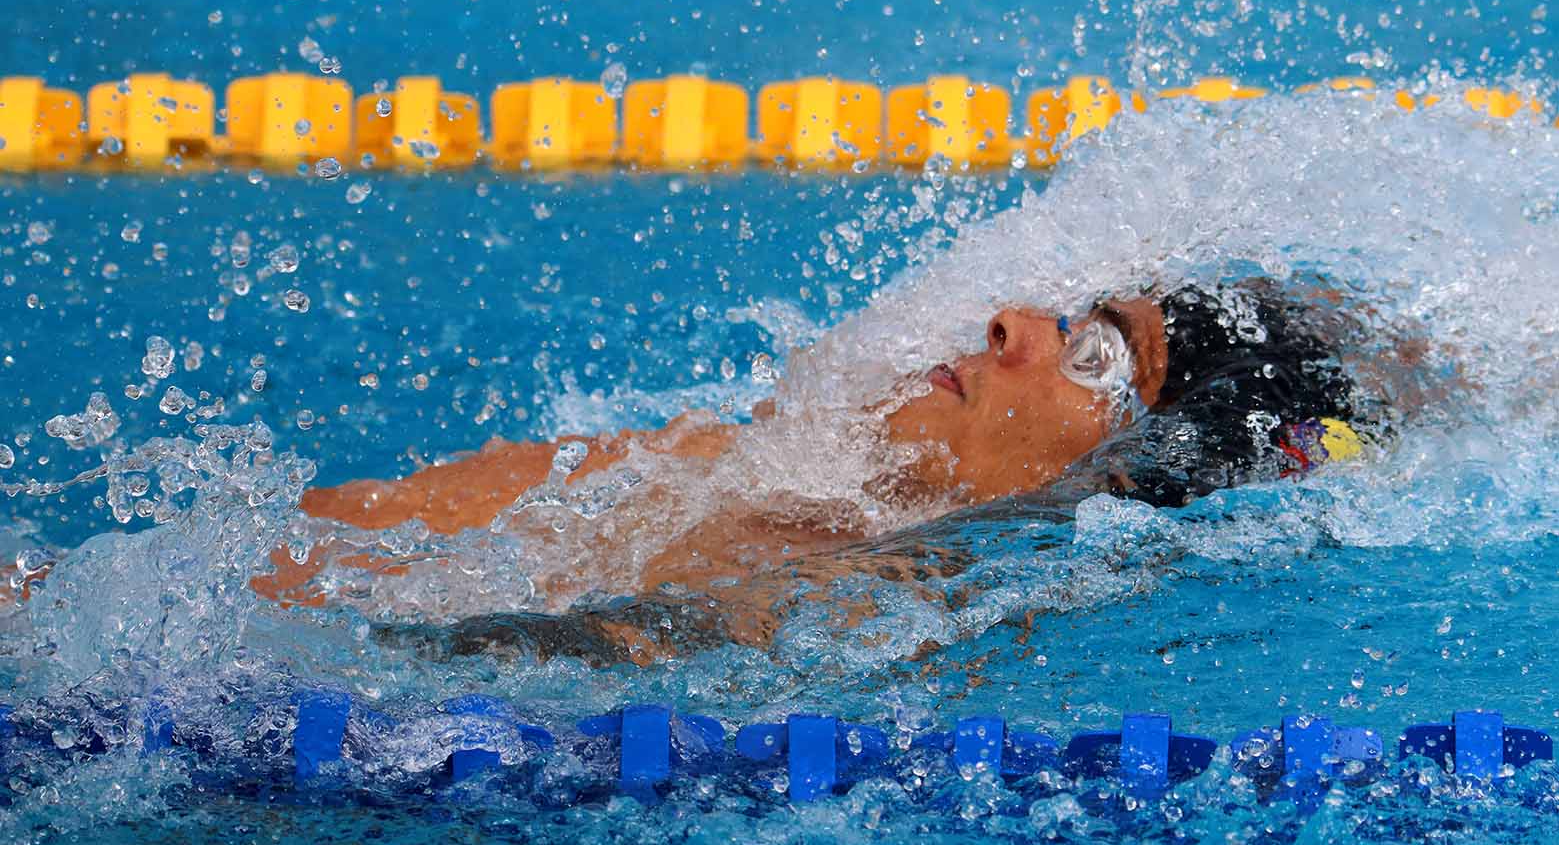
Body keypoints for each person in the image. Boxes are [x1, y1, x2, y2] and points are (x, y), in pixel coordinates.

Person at [252, 278, 1377, 661]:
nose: (1010, 322)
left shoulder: (886, 614)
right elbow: (294, 542)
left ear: (1128, 466)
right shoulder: (702, 456)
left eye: (1093, 360)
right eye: (1068, 315)